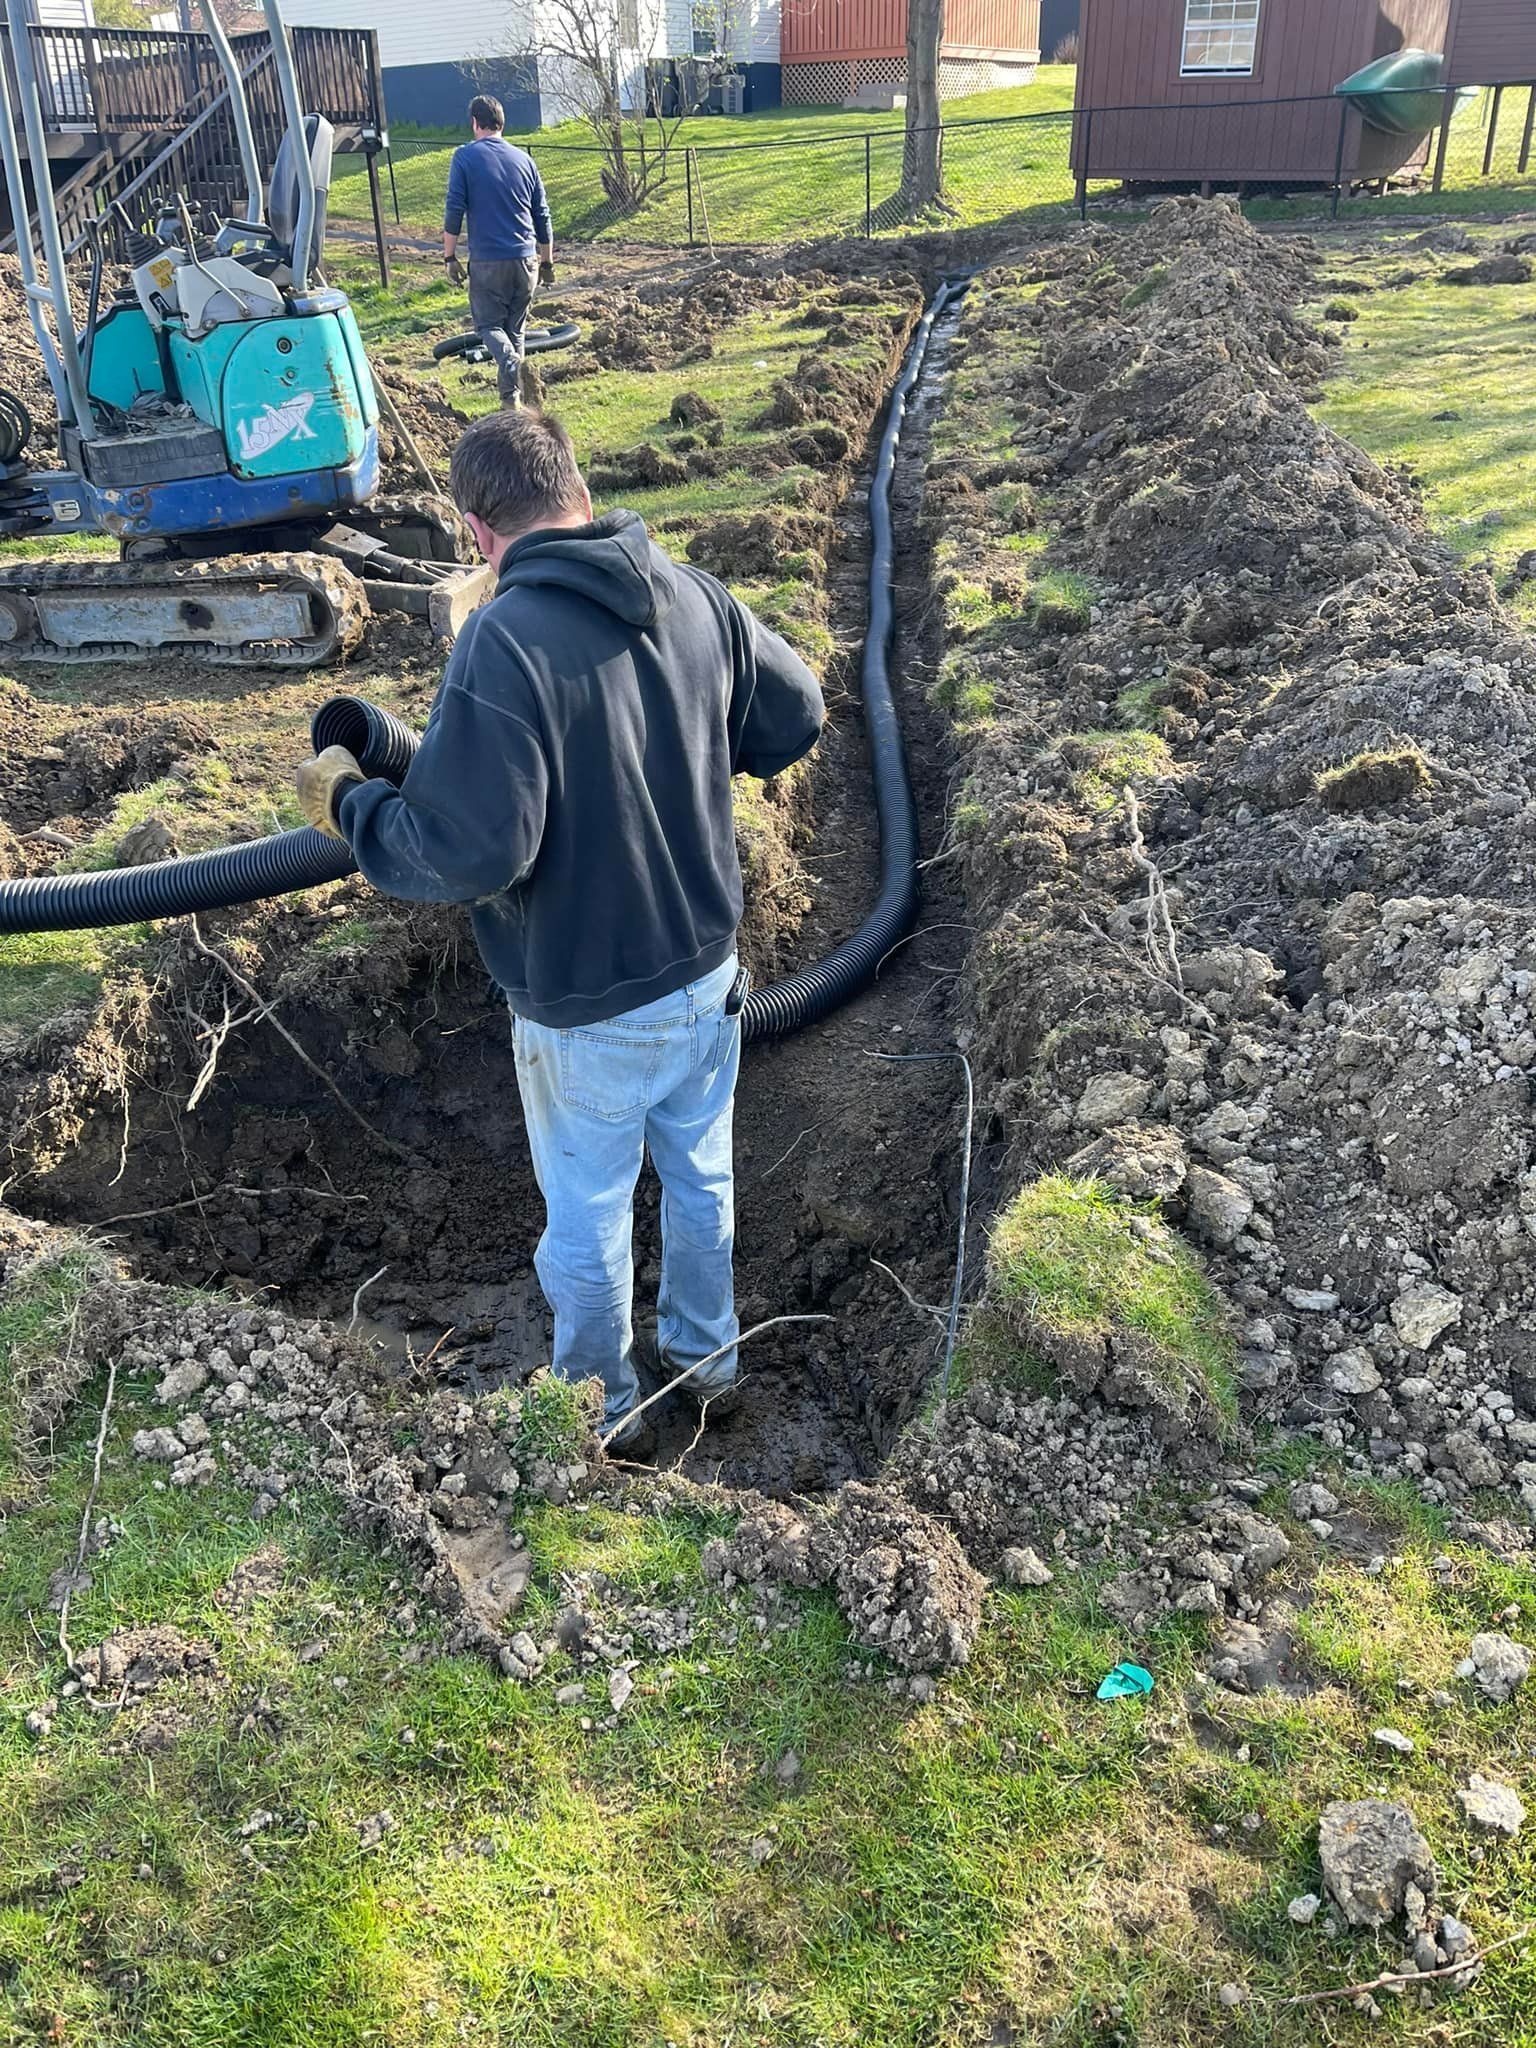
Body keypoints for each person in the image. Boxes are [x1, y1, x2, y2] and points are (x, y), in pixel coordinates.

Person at [296, 412, 825, 1454]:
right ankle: (709, 1361)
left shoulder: (505, 638)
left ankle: (601, 1408)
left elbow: (467, 851)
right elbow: (797, 711)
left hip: (588, 1005)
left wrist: (352, 806)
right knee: (702, 1176)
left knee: (586, 1215)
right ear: (577, 488)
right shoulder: (689, 592)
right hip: (710, 972)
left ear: (477, 529)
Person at [443, 94, 555, 410]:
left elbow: (454, 210)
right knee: (514, 330)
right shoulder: (526, 161)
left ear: (475, 123)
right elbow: (542, 215)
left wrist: (449, 257)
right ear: (501, 124)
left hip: (489, 262)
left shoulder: (464, 157)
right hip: (526, 261)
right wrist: (546, 261)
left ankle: (510, 365)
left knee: (489, 327)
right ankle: (512, 402)